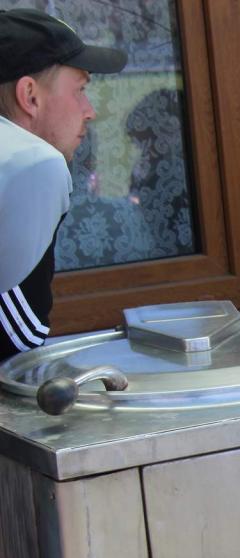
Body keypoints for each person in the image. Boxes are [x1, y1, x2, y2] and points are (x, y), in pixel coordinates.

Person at [0, 8, 125, 360]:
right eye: (80, 90)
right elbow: (20, 339)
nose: (90, 111)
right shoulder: (30, 170)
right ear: (30, 96)